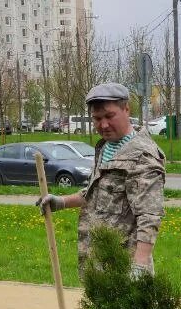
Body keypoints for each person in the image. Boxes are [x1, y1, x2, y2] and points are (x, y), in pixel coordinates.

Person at [35, 83, 165, 276]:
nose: (103, 125)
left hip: (125, 266)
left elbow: (149, 215)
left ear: (126, 109)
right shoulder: (107, 147)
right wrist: (61, 202)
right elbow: (95, 192)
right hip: (100, 262)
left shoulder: (142, 155)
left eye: (109, 116)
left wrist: (139, 264)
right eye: (96, 118)